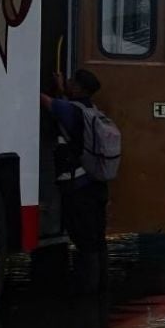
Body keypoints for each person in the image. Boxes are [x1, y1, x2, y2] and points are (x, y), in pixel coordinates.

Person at [41, 69, 109, 294]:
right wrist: (62, 89)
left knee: (84, 242)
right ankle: (100, 289)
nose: (67, 82)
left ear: (79, 87)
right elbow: (64, 105)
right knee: (97, 239)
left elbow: (45, 101)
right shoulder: (91, 110)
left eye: (71, 81)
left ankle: (86, 292)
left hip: (80, 189)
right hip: (97, 186)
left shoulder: (70, 110)